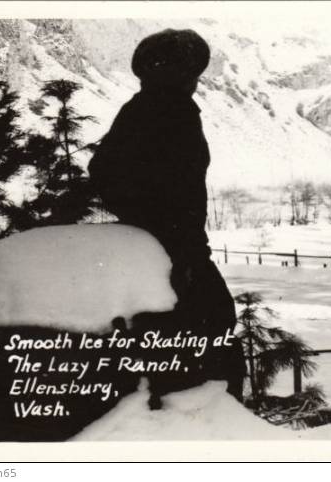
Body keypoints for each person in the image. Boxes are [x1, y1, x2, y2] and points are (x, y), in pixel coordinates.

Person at [88, 29, 244, 406]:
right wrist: (163, 224)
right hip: (177, 242)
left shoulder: (141, 108)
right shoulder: (172, 111)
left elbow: (102, 168)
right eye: (192, 74)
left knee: (201, 319)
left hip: (168, 237)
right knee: (212, 319)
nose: (195, 83)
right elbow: (180, 185)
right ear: (179, 75)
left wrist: (138, 213)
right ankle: (200, 410)